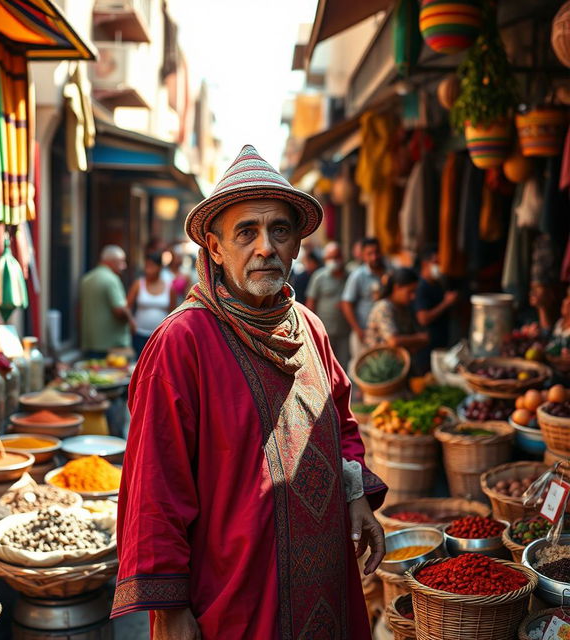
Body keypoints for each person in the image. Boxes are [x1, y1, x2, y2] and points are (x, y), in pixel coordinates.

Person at [112, 145, 387, 640]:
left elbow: (341, 422)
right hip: (236, 599)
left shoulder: (309, 328)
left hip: (325, 585)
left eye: (279, 230)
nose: (266, 247)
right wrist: (170, 611)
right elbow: (155, 487)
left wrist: (356, 495)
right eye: (247, 232)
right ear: (215, 249)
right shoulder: (182, 343)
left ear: (298, 245)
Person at [80, 245, 135, 358]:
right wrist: (131, 321)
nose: (124, 266)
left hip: (90, 343)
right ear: (112, 261)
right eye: (121, 262)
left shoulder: (87, 279)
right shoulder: (112, 279)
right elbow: (119, 310)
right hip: (112, 346)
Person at [341, 237, 387, 365]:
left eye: (376, 252)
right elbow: (346, 304)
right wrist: (358, 330)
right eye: (369, 254)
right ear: (363, 256)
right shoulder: (358, 276)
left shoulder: (390, 272)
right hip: (364, 331)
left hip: (386, 332)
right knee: (364, 368)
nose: (374, 257)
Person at [306, 242, 351, 371]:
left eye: (337, 257)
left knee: (343, 365)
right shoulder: (319, 277)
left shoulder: (350, 276)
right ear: (325, 260)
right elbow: (310, 303)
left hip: (345, 331)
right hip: (324, 331)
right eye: (330, 258)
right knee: (325, 365)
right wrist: (311, 329)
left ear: (342, 257)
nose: (334, 261)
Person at [365, 267, 429, 356]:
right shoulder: (384, 307)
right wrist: (419, 339)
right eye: (410, 292)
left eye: (415, 292)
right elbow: (393, 341)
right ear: (397, 288)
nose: (413, 296)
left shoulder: (403, 308)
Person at [415, 248, 459, 373]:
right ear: (425, 263)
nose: (439, 266)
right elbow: (423, 318)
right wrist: (446, 303)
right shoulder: (421, 288)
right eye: (436, 262)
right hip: (427, 349)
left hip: (441, 342)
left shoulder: (438, 283)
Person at [127, 253, 177, 356]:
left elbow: (173, 313)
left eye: (151, 266)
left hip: (160, 335)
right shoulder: (138, 284)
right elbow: (128, 306)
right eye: (146, 266)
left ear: (159, 268)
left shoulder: (169, 287)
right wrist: (131, 322)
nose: (148, 270)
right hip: (140, 333)